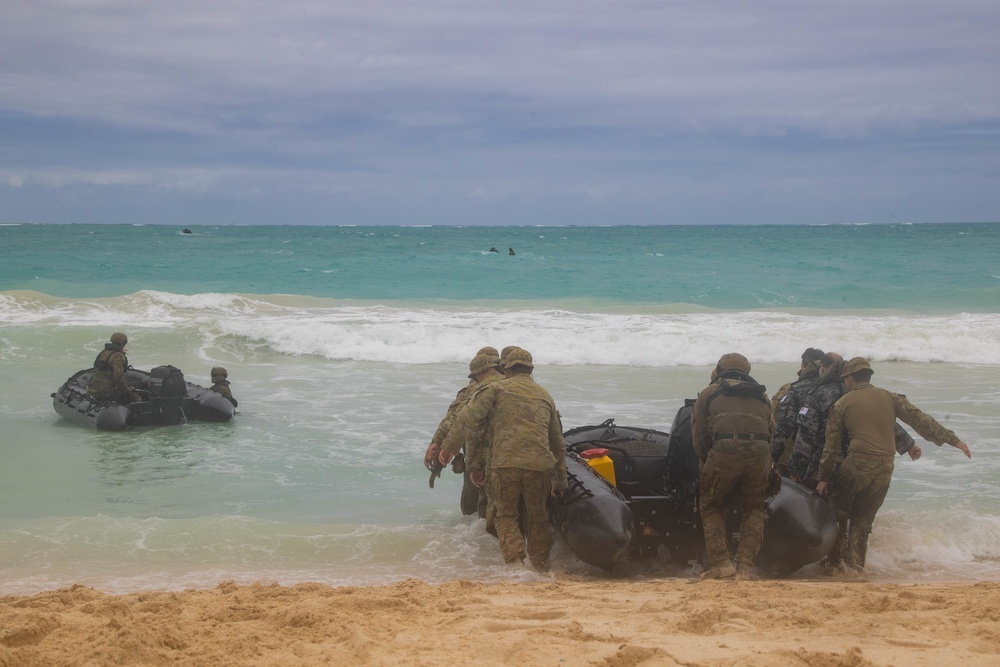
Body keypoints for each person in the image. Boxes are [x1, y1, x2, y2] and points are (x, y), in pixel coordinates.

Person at [815, 358, 972, 572]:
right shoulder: (890, 397)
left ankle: (834, 566)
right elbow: (920, 419)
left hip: (855, 466)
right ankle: (856, 566)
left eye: (845, 380)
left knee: (838, 512)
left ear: (850, 378)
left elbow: (831, 447)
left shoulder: (842, 404)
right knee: (863, 519)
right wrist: (953, 440)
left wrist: (823, 478)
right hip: (885, 468)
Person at [439, 347, 566, 571]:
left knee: (505, 514)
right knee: (538, 518)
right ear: (530, 369)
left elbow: (467, 418)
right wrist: (560, 480)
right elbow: (557, 444)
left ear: (506, 369)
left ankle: (516, 563)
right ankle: (540, 567)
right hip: (539, 466)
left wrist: (449, 447)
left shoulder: (495, 389)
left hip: (504, 465)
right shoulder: (545, 395)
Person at [691, 353, 773, 580]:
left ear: (719, 369)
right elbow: (771, 433)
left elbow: (699, 437)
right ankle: (746, 565)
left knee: (709, 504)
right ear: (747, 372)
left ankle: (722, 563)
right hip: (761, 455)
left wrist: (709, 462)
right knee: (755, 508)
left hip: (723, 452)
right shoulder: (762, 396)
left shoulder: (709, 393)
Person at [789, 352, 921, 487]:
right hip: (856, 464)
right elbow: (880, 419)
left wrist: (795, 470)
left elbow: (805, 438)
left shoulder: (818, 395)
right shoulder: (860, 393)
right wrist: (908, 445)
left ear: (823, 368)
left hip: (824, 465)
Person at [424, 347, 502, 515]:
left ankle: (474, 537)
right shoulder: (519, 388)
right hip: (502, 454)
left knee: (474, 504)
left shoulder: (477, 391)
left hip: (480, 455)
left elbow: (456, 418)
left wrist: (438, 443)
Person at [771, 347, 824, 473]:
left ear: (804, 365)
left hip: (791, 455)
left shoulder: (791, 389)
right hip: (825, 458)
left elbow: (775, 420)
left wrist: (773, 456)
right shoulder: (837, 390)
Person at [87, 332, 139, 404]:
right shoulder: (119, 356)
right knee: (136, 397)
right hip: (106, 393)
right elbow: (118, 377)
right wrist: (128, 392)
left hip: (93, 390)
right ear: (123, 343)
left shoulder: (104, 352)